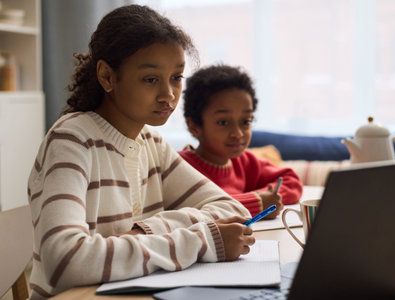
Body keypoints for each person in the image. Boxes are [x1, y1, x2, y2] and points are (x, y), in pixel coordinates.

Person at [27, 6, 254, 299]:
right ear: (107, 77)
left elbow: (232, 210)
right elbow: (66, 262)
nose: (169, 95)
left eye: (176, 77)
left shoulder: (151, 143)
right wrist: (201, 241)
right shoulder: (71, 140)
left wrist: (146, 230)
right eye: (150, 79)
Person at [179, 65, 303, 219]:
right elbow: (195, 211)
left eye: (245, 121)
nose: (238, 133)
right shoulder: (179, 167)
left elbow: (291, 181)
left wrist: (265, 197)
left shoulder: (243, 162)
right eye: (223, 122)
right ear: (194, 126)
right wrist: (256, 203)